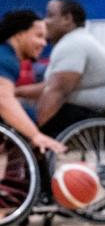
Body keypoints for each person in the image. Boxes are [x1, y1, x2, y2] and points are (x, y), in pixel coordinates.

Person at [19, 0, 105, 137]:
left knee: (21, 118)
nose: (45, 22)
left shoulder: (74, 44)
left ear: (67, 18)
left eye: (50, 15)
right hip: (104, 111)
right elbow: (49, 86)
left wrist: (35, 131)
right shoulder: (76, 41)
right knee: (19, 111)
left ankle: (26, 155)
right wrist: (15, 92)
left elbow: (56, 92)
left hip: (97, 114)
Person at [0, 9, 65, 154]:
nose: (43, 43)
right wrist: (35, 135)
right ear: (19, 34)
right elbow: (3, 100)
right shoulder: (5, 59)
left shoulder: (7, 56)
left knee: (26, 114)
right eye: (39, 36)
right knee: (26, 117)